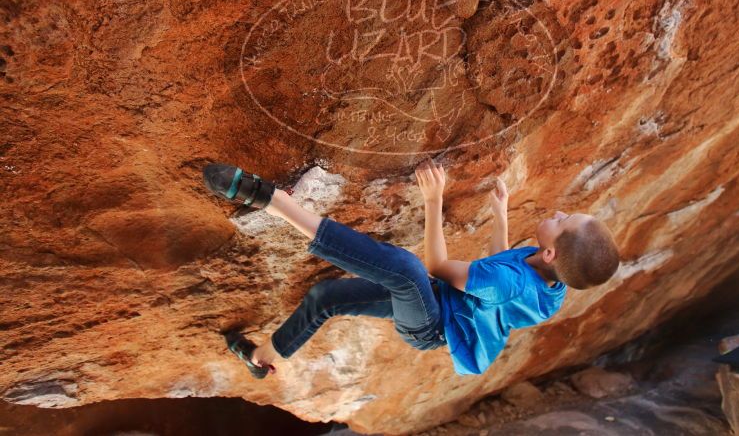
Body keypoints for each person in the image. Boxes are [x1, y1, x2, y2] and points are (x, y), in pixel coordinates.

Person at [203, 159, 620, 378]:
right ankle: (260, 358)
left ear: (550, 255)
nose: (561, 212)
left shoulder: (512, 283)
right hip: (446, 306)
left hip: (432, 324)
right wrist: (500, 215)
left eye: (564, 221)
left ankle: (276, 201)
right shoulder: (553, 279)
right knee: (324, 298)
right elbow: (497, 270)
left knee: (406, 270)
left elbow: (440, 267)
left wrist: (434, 199)